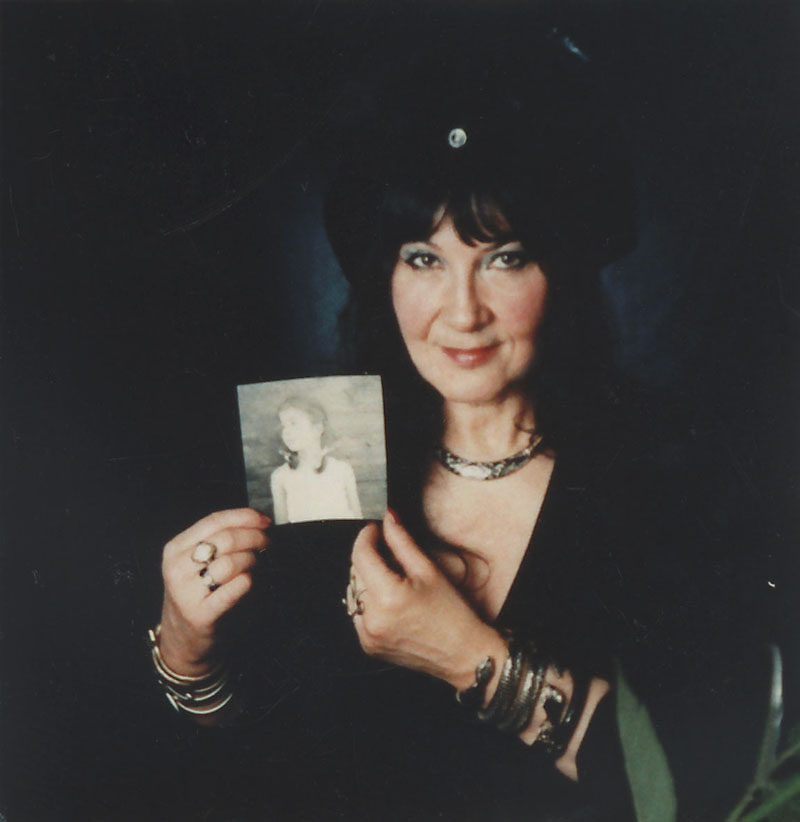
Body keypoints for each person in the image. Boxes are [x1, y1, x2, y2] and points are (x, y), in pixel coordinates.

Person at [150, 32, 772, 821]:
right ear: (384, 273)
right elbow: (272, 748)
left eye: (504, 256)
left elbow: (710, 788)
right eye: (423, 258)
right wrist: (187, 651)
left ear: (561, 268)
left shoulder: (674, 468)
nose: (463, 311)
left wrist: (463, 654)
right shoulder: (329, 451)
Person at [270, 396, 363, 524]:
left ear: (318, 428)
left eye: (293, 423)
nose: (286, 431)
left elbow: (359, 521)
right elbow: (283, 527)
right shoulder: (280, 477)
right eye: (284, 426)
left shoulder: (342, 470)